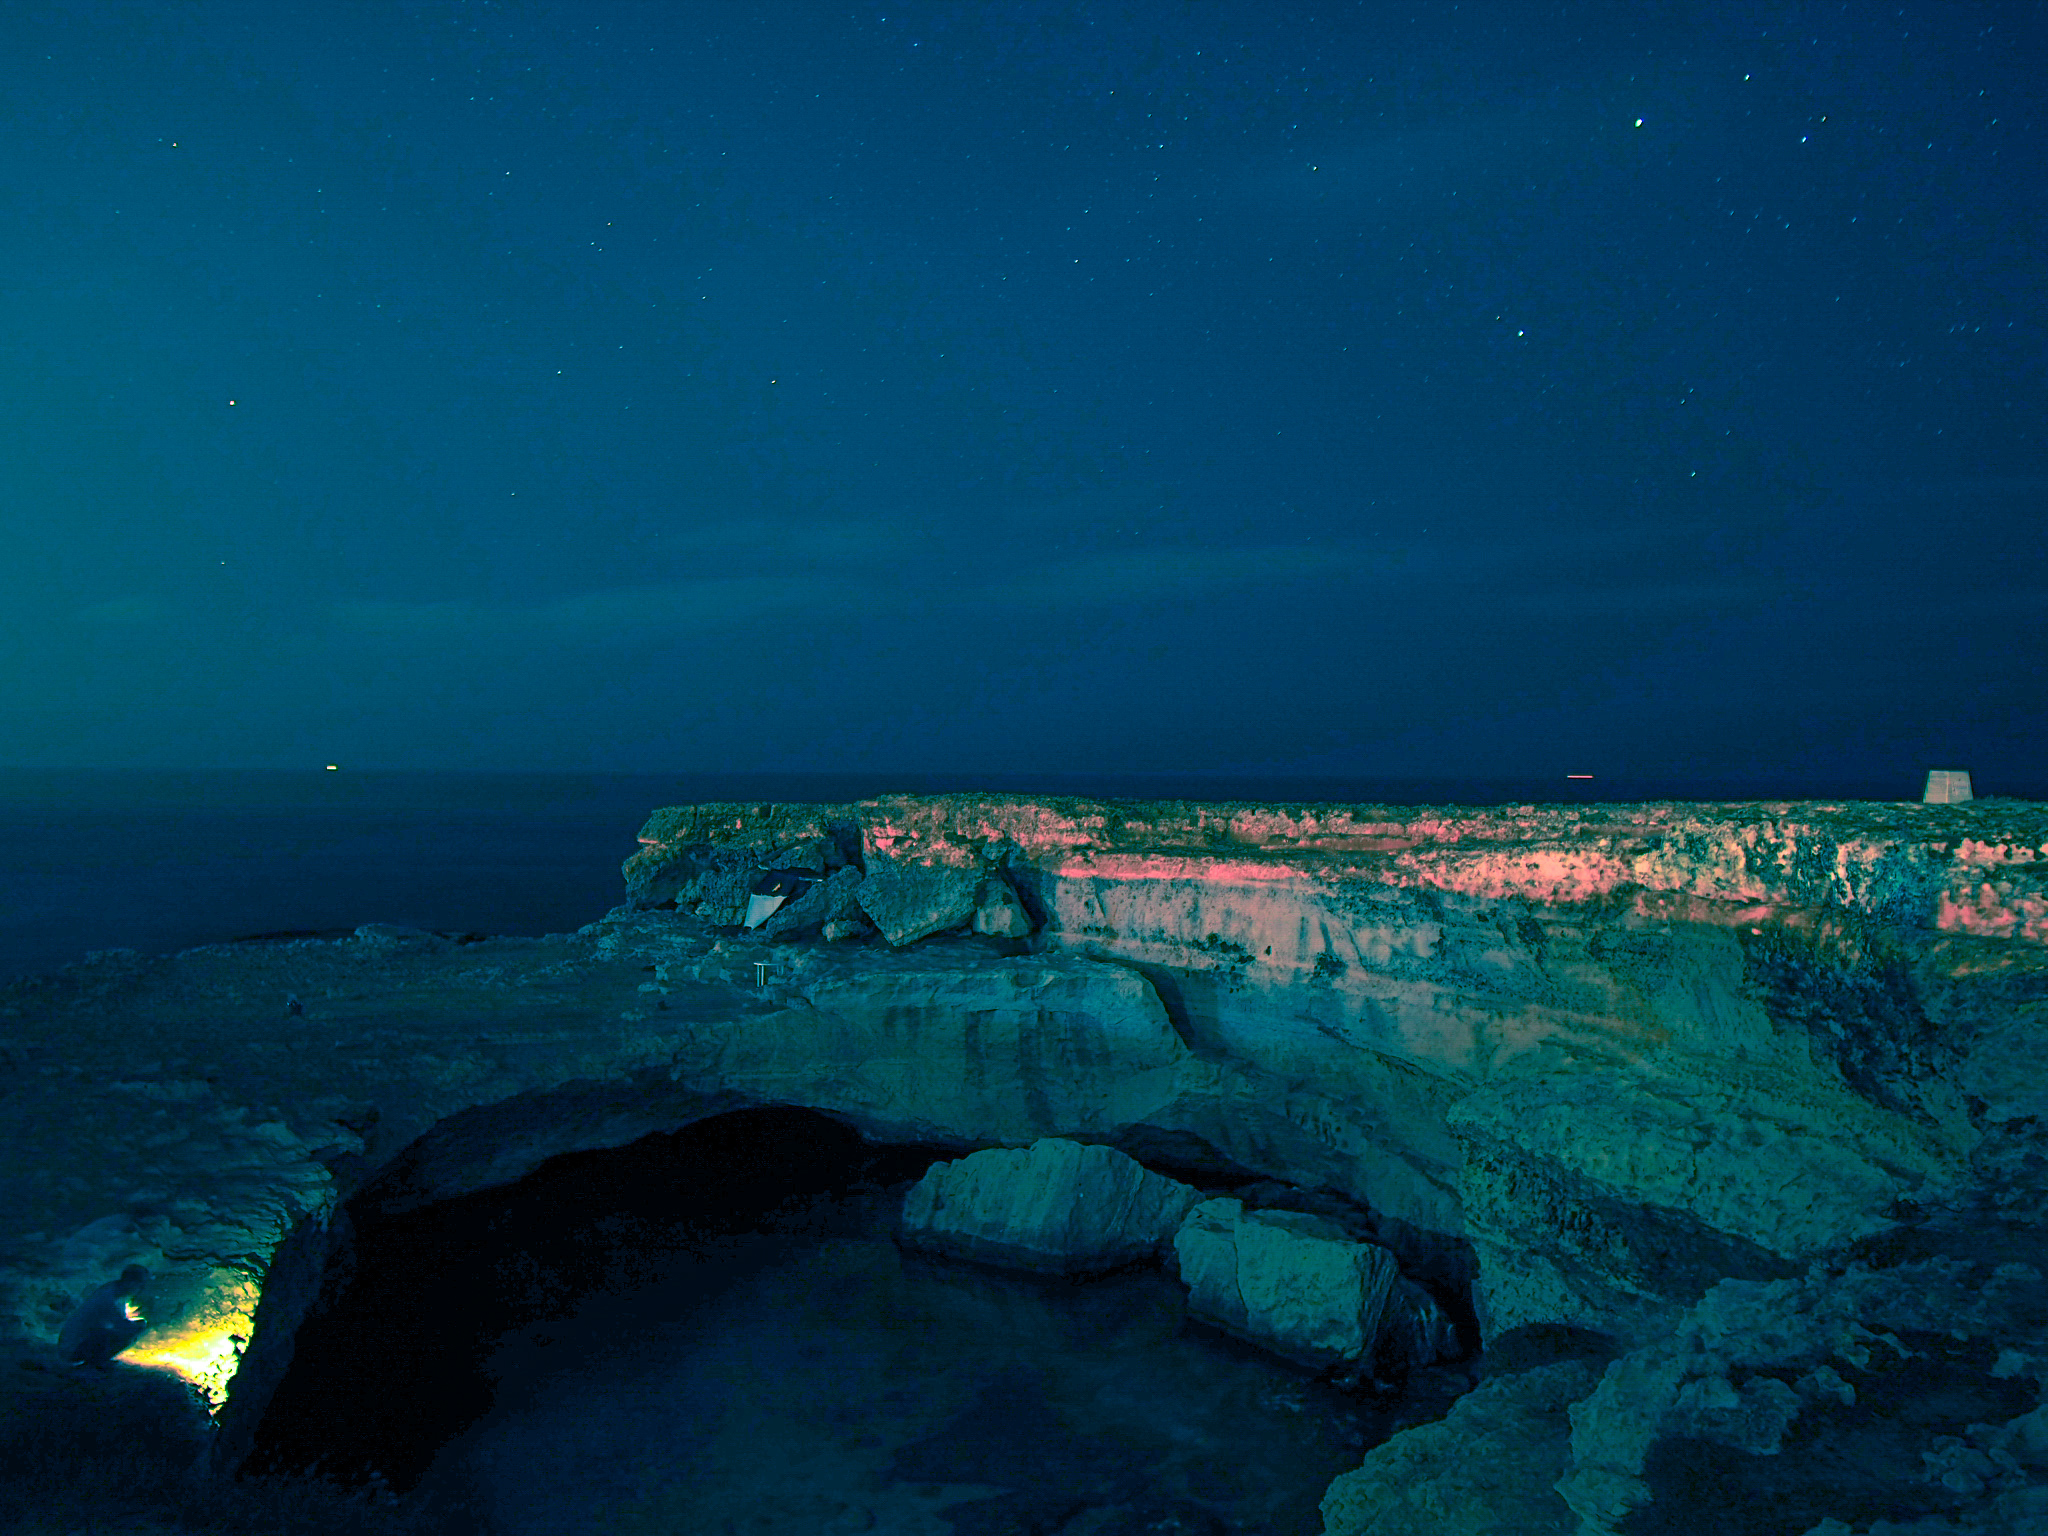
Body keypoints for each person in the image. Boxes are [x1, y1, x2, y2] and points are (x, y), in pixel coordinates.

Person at [57, 1265, 150, 1367]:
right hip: (72, 1350)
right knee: (136, 1327)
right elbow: (119, 1324)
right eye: (140, 1285)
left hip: (71, 1346)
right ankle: (96, 1362)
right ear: (130, 1282)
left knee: (131, 1327)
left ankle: (96, 1360)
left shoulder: (113, 1289)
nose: (141, 1289)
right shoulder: (109, 1297)